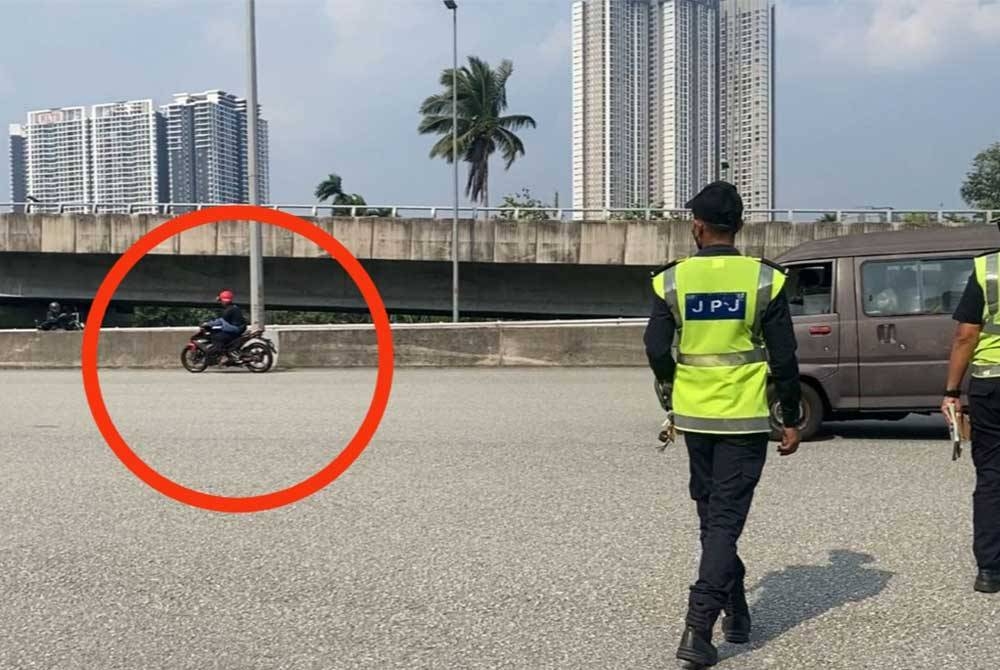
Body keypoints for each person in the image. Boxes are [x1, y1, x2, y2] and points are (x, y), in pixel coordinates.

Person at [643, 181, 802, 669]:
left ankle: (735, 611)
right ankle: (697, 630)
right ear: (739, 227)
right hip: (744, 418)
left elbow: (654, 348)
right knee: (723, 524)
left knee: (713, 521)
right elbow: (784, 359)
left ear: (697, 226)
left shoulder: (672, 281)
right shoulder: (765, 280)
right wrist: (790, 419)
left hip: (695, 417)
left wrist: (673, 386)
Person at [942, 232, 1000, 595]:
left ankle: (991, 571)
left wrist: (951, 390)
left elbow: (966, 334)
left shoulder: (987, 268)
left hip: (991, 384)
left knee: (992, 474)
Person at [206, 290, 247, 360]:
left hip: (235, 330)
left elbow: (220, 321)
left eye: (221, 301)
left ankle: (223, 355)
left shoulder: (229, 310)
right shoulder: (235, 307)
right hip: (239, 329)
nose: (221, 303)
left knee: (217, 337)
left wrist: (208, 324)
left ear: (224, 301)